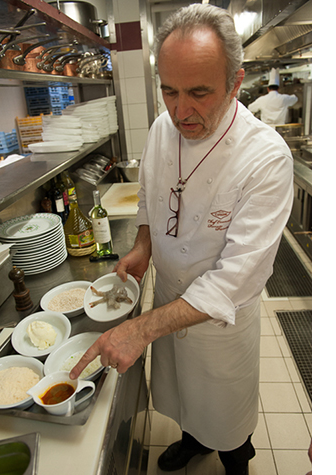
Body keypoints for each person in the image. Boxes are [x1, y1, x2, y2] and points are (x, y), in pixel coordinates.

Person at [70, 5, 293, 475]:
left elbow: (234, 280)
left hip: (220, 325)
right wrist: (144, 245)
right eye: (169, 91)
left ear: (235, 83)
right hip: (171, 298)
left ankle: (236, 459)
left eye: (199, 93)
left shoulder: (266, 158)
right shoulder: (161, 129)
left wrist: (140, 328)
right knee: (184, 398)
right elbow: (152, 196)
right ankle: (193, 441)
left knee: (226, 412)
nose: (180, 111)